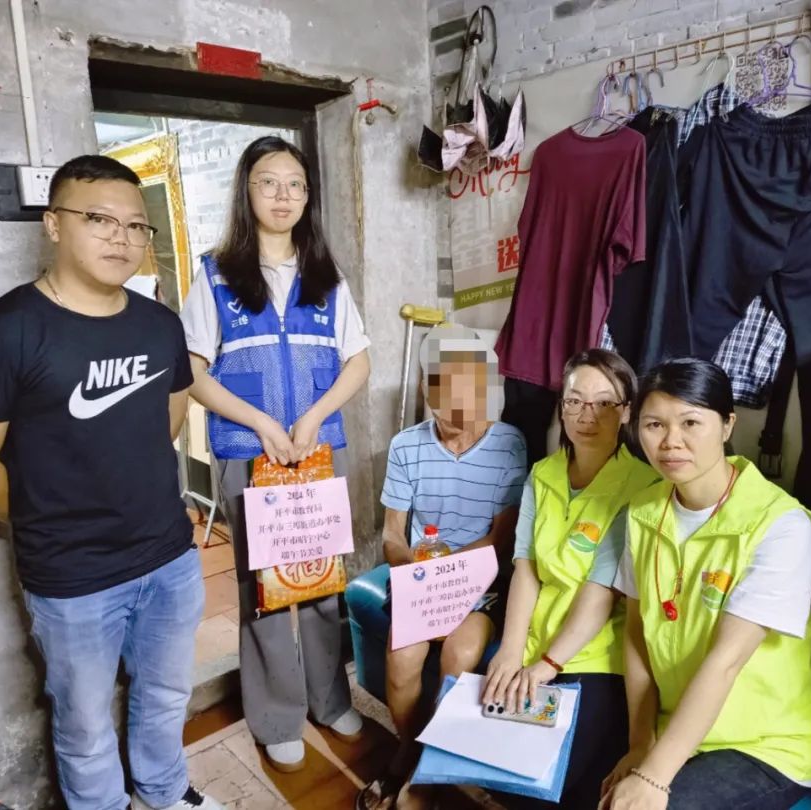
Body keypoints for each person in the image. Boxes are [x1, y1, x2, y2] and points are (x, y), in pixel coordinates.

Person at [0, 156, 221, 810]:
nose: (121, 237)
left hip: (169, 558)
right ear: (54, 225)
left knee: (166, 695)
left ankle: (165, 790)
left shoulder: (160, 324)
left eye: (135, 225)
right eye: (98, 219)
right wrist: (54, 522)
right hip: (72, 578)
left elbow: (169, 419)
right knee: (86, 724)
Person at [180, 135, 371, 772]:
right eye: (268, 182)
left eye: (295, 184)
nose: (283, 195)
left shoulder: (326, 275)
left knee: (320, 580)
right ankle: (276, 714)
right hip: (248, 450)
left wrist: (315, 416)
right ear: (247, 190)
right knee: (262, 586)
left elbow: (358, 360)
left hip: (316, 451)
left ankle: (329, 698)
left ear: (308, 196)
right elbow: (192, 370)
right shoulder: (215, 275)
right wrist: (260, 421)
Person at [590, 358, 811, 809]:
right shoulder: (644, 511)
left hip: (763, 744)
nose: (671, 442)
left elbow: (726, 660)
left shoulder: (781, 526)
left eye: (690, 423)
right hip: (675, 726)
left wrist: (653, 775)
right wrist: (641, 743)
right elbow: (637, 633)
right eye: (654, 425)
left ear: (726, 425)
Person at [356, 324, 526, 810]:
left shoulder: (508, 444)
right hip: (421, 579)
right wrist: (416, 570)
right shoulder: (406, 446)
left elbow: (499, 540)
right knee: (402, 657)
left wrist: (451, 571)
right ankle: (408, 753)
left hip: (479, 582)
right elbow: (392, 535)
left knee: (461, 654)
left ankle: (428, 772)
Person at [481, 349, 659, 809]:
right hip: (535, 640)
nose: (587, 415)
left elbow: (602, 593)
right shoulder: (542, 474)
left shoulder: (642, 487)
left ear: (627, 412)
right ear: (561, 408)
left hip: (595, 657)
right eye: (575, 401)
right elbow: (526, 566)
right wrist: (511, 649)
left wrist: (547, 666)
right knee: (496, 764)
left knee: (547, 781)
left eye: (604, 403)